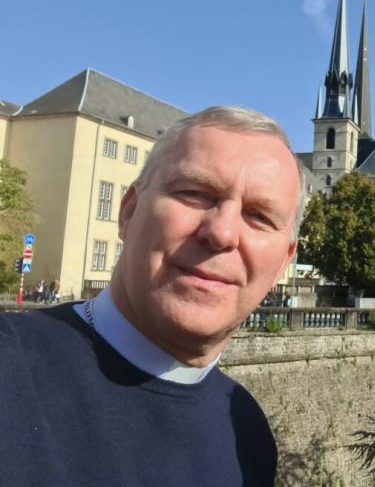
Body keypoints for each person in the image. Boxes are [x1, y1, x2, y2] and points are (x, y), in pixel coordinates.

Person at [0, 106, 304, 486]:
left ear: (283, 264)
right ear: (128, 212)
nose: (222, 233)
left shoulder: (248, 432)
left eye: (259, 217)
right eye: (194, 193)